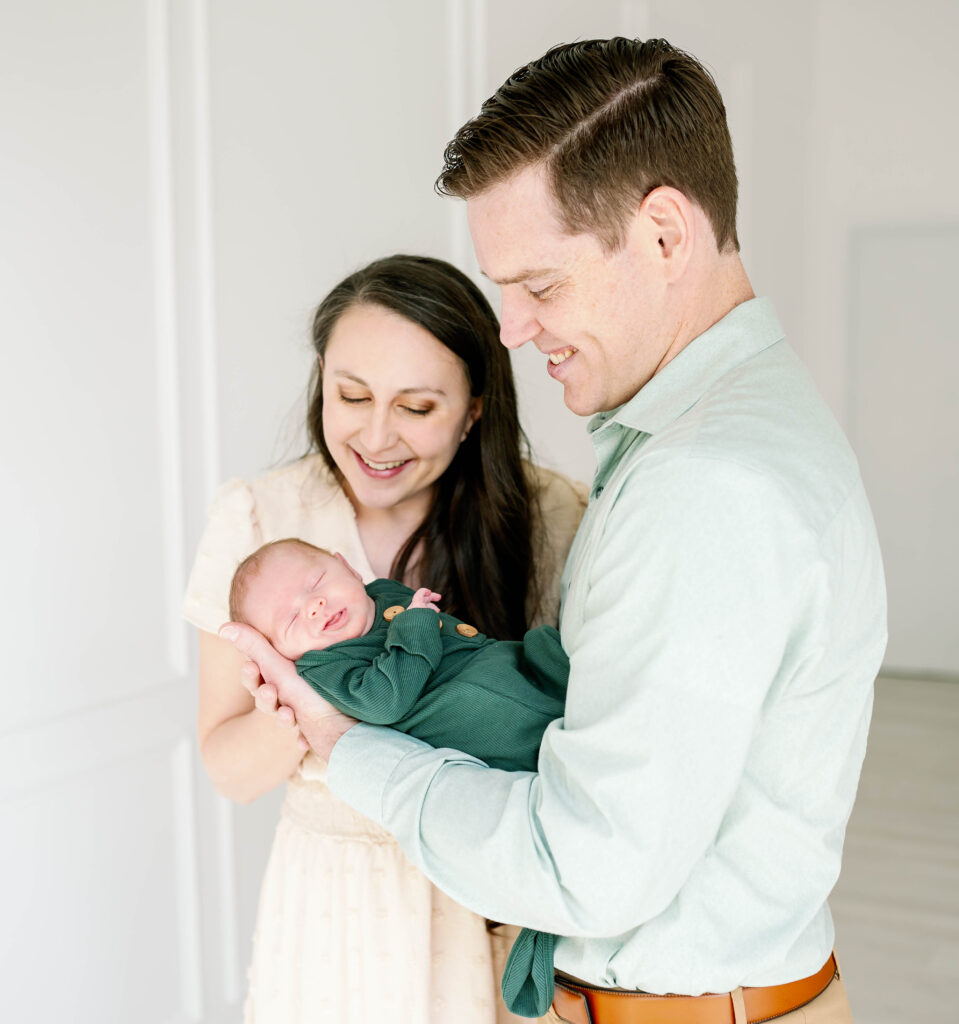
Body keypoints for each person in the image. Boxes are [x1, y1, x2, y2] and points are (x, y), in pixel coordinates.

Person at [222, 39, 888, 1024]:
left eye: (538, 285)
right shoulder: (721, 432)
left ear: (664, 234)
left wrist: (344, 745)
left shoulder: (702, 484)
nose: (511, 330)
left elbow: (583, 866)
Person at [184, 253, 587, 1024]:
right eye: (351, 395)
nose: (375, 436)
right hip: (334, 912)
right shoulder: (257, 520)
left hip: (490, 886)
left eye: (416, 407)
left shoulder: (548, 515)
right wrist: (297, 707)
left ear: (474, 409)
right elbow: (227, 771)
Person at [228, 538, 568, 774]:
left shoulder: (378, 592)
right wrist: (416, 623)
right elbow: (382, 702)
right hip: (484, 721)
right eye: (291, 619)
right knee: (557, 750)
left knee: (552, 645)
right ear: (279, 654)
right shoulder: (324, 667)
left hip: (513, 664)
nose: (315, 607)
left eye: (316, 582)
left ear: (346, 566)